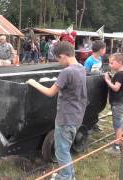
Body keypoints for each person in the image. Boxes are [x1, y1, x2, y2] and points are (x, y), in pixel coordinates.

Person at [26, 41, 87, 180]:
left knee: (61, 151)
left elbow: (50, 92)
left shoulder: (67, 71)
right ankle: (69, 175)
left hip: (66, 118)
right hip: (77, 116)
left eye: (58, 58)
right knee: (66, 149)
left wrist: (33, 82)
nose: (59, 62)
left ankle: (65, 177)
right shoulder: (81, 68)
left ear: (64, 56)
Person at [104, 53, 123, 154]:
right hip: (118, 103)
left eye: (112, 63)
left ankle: (117, 147)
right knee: (117, 123)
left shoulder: (119, 74)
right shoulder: (120, 74)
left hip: (117, 103)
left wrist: (107, 80)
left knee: (117, 124)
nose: (110, 65)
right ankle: (117, 141)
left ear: (120, 63)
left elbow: (116, 88)